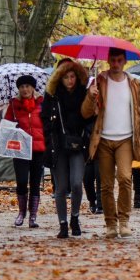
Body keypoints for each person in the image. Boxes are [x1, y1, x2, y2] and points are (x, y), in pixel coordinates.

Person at [82, 47, 140, 239]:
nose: (116, 64)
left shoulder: (134, 84)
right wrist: (90, 95)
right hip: (103, 139)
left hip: (126, 139)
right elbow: (86, 113)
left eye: (119, 60)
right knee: (105, 184)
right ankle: (110, 223)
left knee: (125, 178)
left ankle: (124, 221)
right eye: (112, 60)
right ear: (108, 60)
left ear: (125, 61)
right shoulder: (99, 81)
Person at [41, 59, 91, 238]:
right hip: (58, 146)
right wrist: (50, 140)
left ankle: (75, 218)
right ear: (59, 79)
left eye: (72, 76)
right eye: (65, 77)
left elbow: (90, 118)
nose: (70, 80)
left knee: (77, 183)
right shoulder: (52, 96)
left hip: (78, 145)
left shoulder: (84, 94)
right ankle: (62, 224)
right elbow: (45, 120)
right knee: (61, 188)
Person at [5, 75, 45, 228]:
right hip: (20, 149)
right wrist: (12, 125)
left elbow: (46, 124)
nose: (25, 89)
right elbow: (7, 125)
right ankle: (21, 213)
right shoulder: (14, 105)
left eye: (28, 86)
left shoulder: (41, 104)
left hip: (38, 149)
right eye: (22, 87)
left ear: (33, 88)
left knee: (35, 183)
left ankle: (33, 217)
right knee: (21, 181)